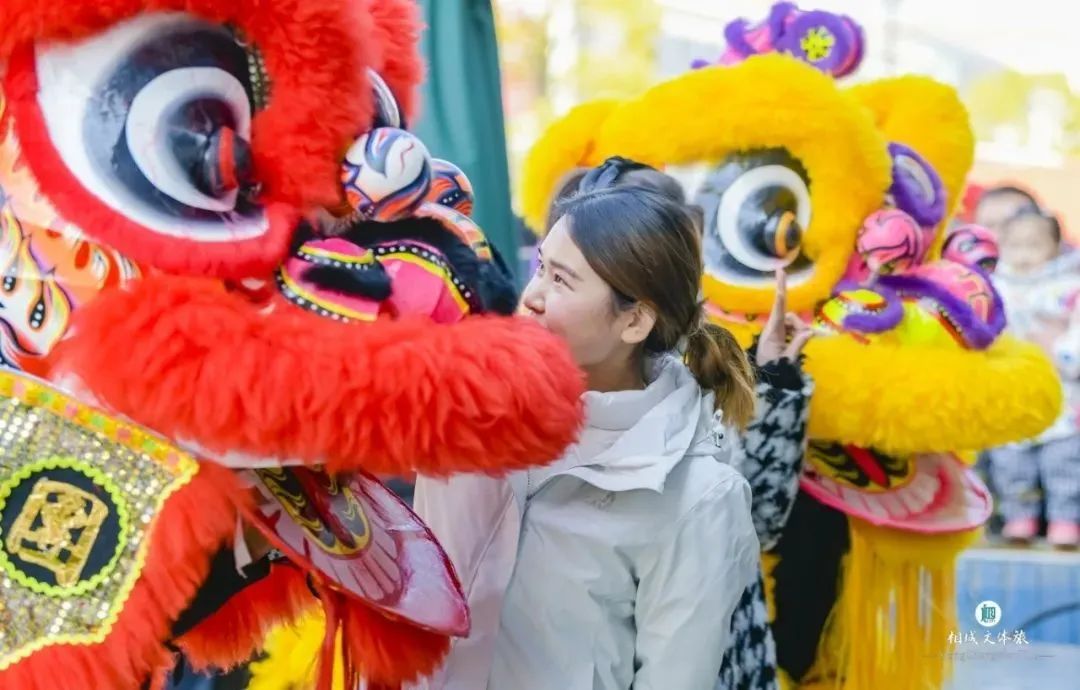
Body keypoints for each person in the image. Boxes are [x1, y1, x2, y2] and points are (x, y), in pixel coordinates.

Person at [414, 185, 762, 689]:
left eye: (561, 280)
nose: (531, 296)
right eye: (540, 267)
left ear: (635, 320)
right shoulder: (475, 410)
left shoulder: (698, 496)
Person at [988, 209, 1080, 548]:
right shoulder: (993, 286)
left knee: (1064, 463)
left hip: (1062, 391)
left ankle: (1065, 521)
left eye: (1034, 244)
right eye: (1015, 245)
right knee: (1011, 462)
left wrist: (1063, 354)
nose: (1024, 254)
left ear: (1055, 247)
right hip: (1011, 390)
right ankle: (1019, 519)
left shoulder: (1070, 288)